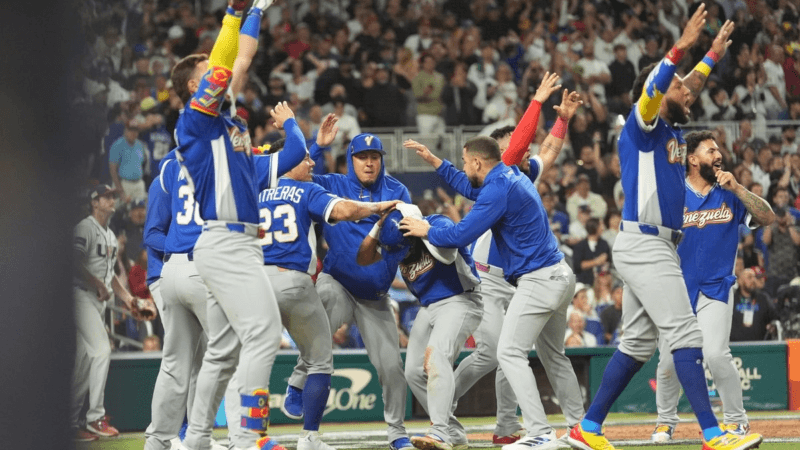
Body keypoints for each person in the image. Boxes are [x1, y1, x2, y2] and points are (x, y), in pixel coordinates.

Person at [567, 9, 763, 450]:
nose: (688, 91)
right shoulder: (641, 125)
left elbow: (684, 86)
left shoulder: (671, 128)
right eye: (677, 84)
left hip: (655, 244)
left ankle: (588, 428)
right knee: (686, 335)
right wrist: (680, 47)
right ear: (653, 93)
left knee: (637, 344)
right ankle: (714, 434)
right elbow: (659, 88)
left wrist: (710, 55)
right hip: (647, 243)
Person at [399, 82, 586, 450]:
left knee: (507, 353)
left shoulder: (499, 185)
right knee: (551, 356)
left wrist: (424, 228)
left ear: (479, 163)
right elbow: (471, 185)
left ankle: (538, 433)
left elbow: (458, 234)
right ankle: (581, 428)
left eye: (467, 161)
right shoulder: (510, 176)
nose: (464, 165)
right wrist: (437, 163)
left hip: (532, 278)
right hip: (557, 274)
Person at [167, 0, 300, 448]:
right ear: (194, 85)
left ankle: (198, 438)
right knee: (263, 333)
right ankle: (250, 437)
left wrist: (255, 11)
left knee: (223, 353)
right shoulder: (195, 121)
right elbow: (229, 62)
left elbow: (239, 61)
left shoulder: (224, 120)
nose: (219, 73)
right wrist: (232, 13)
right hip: (226, 242)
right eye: (207, 71)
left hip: (233, 243)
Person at [237, 137, 400, 450]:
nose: (312, 163)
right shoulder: (306, 189)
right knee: (321, 361)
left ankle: (244, 436)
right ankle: (309, 437)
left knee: (249, 360)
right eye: (306, 159)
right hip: (293, 282)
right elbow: (345, 209)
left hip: (254, 284)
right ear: (288, 161)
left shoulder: (250, 187)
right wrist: (377, 207)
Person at [288, 133, 414, 450]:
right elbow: (293, 172)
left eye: (375, 156)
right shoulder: (330, 184)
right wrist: (317, 146)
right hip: (338, 281)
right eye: (362, 156)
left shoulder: (398, 191)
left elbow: (408, 238)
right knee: (322, 319)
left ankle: (397, 432)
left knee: (391, 367)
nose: (370, 162)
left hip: (375, 295)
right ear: (351, 160)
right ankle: (298, 380)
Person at [652, 131, 775, 443]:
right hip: (678, 289)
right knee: (668, 360)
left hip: (716, 288)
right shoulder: (673, 192)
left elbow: (768, 216)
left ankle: (737, 420)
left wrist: (738, 187)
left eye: (719, 150)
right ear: (692, 159)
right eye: (710, 151)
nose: (718, 155)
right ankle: (665, 422)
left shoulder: (729, 191)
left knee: (717, 354)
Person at [357, 207, 482, 450]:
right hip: (428, 306)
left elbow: (449, 252)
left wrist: (426, 231)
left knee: (437, 357)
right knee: (413, 371)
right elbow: (364, 258)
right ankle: (453, 431)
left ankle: (439, 431)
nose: (403, 254)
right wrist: (377, 228)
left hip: (460, 299)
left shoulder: (439, 224)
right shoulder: (394, 241)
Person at [71, 185, 154, 442]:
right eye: (106, 196)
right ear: (94, 202)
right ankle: (95, 417)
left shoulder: (108, 234)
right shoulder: (85, 227)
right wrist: (96, 283)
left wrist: (130, 299)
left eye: (112, 196)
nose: (111, 200)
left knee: (85, 362)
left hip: (97, 299)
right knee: (102, 350)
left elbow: (111, 279)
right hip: (80, 295)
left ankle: (70, 422)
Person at [730, 268, 780, 342]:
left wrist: (773, 326)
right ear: (739, 281)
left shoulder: (763, 298)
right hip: (735, 347)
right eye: (750, 277)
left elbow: (775, 318)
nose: (753, 280)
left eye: (754, 277)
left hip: (759, 347)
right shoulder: (731, 300)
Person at [109, 119, 148, 204]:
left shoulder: (140, 145)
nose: (133, 133)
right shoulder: (117, 145)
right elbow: (113, 170)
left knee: (139, 213)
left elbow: (142, 164)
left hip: (138, 184)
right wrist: (120, 190)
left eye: (135, 130)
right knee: (120, 212)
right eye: (131, 130)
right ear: (125, 130)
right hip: (124, 184)